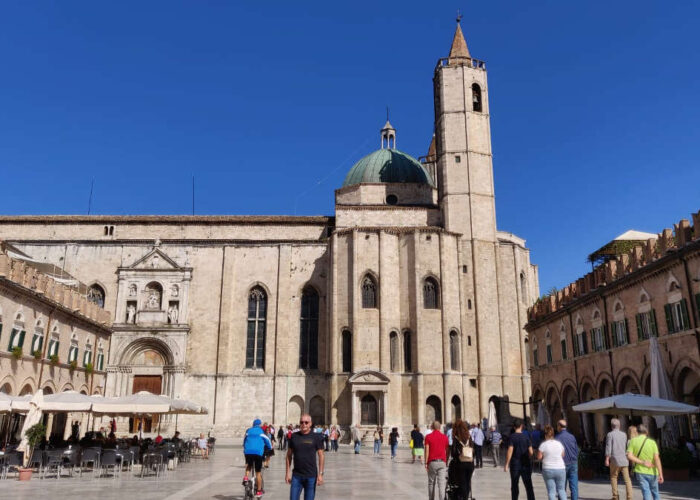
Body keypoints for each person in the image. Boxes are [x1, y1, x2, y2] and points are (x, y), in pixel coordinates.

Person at [286, 413, 325, 500]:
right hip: (296, 476)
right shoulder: (294, 436)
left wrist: (321, 474)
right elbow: (289, 455)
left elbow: (321, 455)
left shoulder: (316, 437)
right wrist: (287, 473)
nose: (304, 424)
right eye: (302, 422)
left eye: (306, 422)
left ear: (310, 423)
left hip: (311, 476)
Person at [626, 424, 663, 500]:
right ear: (646, 432)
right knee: (655, 493)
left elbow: (629, 456)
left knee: (646, 492)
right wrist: (660, 474)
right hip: (653, 471)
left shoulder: (633, 441)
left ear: (638, 432)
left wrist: (642, 462)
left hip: (640, 471)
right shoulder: (652, 442)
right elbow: (657, 459)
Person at [504, 418, 535, 500]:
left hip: (515, 465)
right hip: (526, 464)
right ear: (522, 426)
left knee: (514, 485)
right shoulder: (526, 437)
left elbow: (510, 451)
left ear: (514, 427)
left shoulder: (512, 437)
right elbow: (531, 452)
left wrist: (506, 464)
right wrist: (528, 459)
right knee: (528, 485)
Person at [243, 419, 272, 497]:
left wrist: (245, 448)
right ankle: (259, 491)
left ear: (253, 424)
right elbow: (268, 441)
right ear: (259, 425)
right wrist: (270, 448)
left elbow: (244, 440)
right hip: (257, 453)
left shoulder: (248, 431)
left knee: (249, 465)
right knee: (258, 473)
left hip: (248, 452)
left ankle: (246, 478)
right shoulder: (261, 432)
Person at [605, 418, 632, 500]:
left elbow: (608, 447)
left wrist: (607, 459)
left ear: (611, 426)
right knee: (627, 480)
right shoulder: (624, 435)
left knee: (614, 477)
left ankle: (615, 497)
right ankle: (630, 497)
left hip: (614, 460)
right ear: (619, 426)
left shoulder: (610, 434)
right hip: (624, 459)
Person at [537, 424, 566, 500]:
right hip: (560, 468)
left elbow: (539, 457)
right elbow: (563, 455)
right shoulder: (559, 444)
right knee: (561, 490)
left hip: (548, 469)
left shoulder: (543, 445)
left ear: (545, 435)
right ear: (553, 434)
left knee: (551, 491)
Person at [449, 419, 475, 500]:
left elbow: (453, 453)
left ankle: (463, 498)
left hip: (460, 464)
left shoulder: (456, 438)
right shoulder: (469, 437)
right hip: (470, 463)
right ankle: (466, 497)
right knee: (468, 482)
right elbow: (473, 451)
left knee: (462, 483)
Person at [425, 420, 450, 500]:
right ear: (440, 427)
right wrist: (446, 460)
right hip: (442, 462)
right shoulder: (445, 437)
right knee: (441, 484)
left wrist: (426, 463)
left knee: (431, 483)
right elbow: (447, 450)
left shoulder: (428, 437)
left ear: (432, 427)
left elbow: (427, 450)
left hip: (432, 462)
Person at [555, 419, 579, 500]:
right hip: (573, 462)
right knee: (574, 487)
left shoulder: (557, 438)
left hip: (563, 464)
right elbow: (576, 450)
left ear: (559, 426)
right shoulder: (572, 436)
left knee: (561, 488)